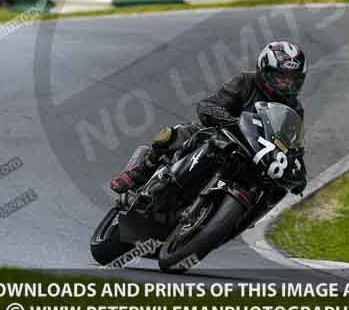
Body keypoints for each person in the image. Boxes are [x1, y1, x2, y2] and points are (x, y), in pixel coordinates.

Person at [110, 40, 308, 208]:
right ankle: (141, 170)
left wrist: (297, 173)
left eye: (292, 79)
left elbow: (291, 145)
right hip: (221, 133)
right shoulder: (245, 82)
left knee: (273, 190)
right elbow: (209, 105)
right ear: (265, 70)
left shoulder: (294, 108)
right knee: (174, 134)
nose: (286, 84)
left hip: (254, 156)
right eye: (281, 76)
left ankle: (238, 217)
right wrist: (229, 121)